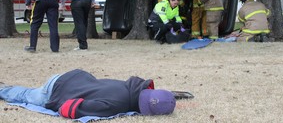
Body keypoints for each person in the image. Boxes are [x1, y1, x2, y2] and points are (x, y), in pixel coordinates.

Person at [0, 69, 176, 119]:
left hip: (75, 75)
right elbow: (69, 109)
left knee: (29, 93)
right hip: (56, 89)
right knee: (26, 95)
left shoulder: (131, 85)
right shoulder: (117, 105)